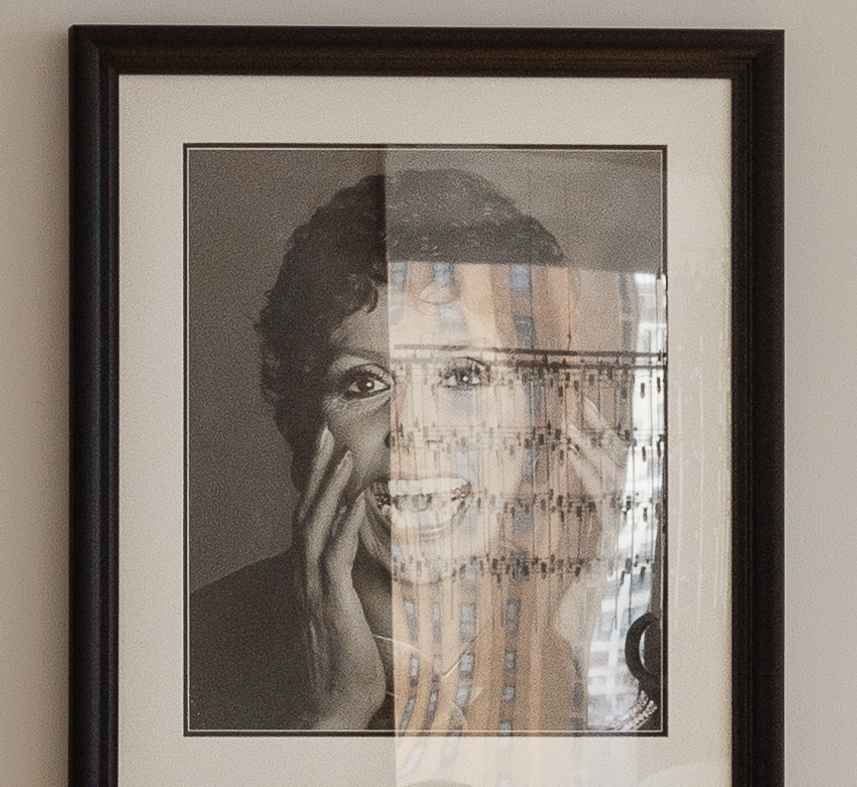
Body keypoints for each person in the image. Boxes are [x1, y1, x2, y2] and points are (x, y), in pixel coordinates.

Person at [188, 161, 587, 737]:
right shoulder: (195, 650)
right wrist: (333, 718)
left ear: (534, 419)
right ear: (306, 424)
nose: (413, 429)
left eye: (464, 377)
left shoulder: (586, 639)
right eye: (365, 383)